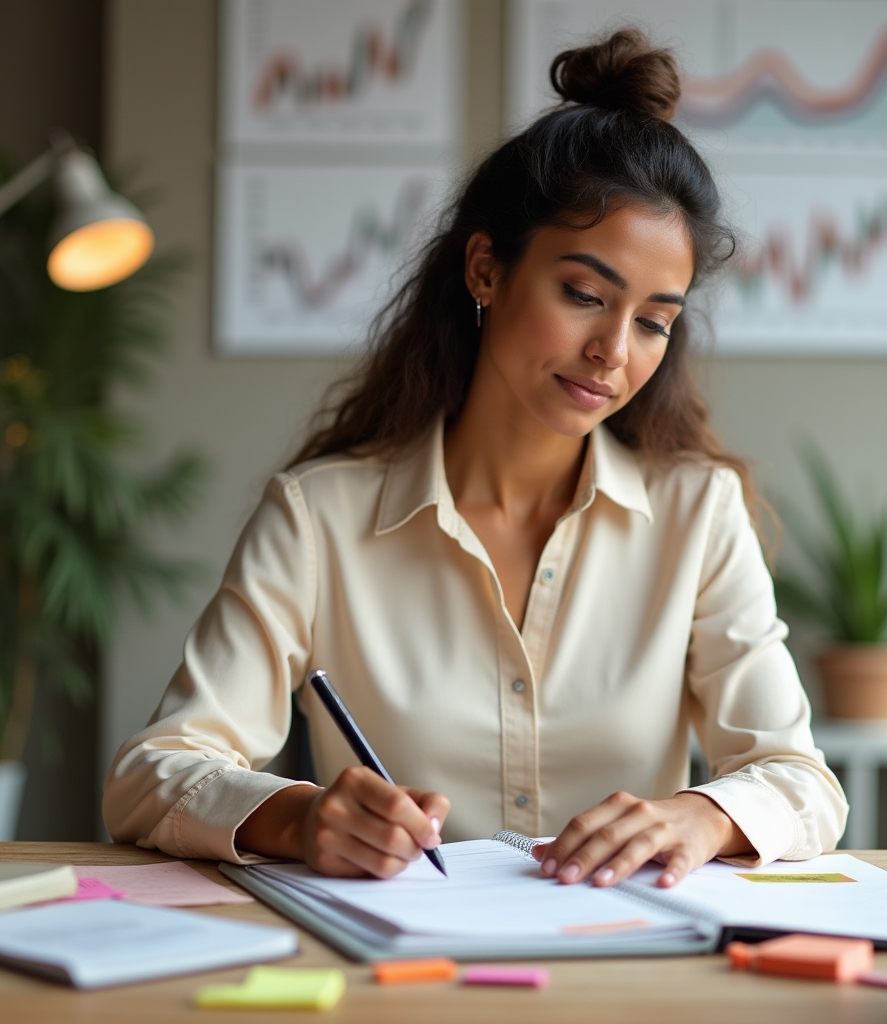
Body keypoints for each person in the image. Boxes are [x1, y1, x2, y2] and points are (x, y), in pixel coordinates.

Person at [104, 30, 847, 890]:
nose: (613, 350)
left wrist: (701, 814)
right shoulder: (319, 518)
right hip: (401, 974)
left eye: (653, 320)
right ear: (486, 269)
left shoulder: (698, 515)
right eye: (583, 295)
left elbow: (805, 785)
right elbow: (148, 774)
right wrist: (304, 817)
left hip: (630, 970)